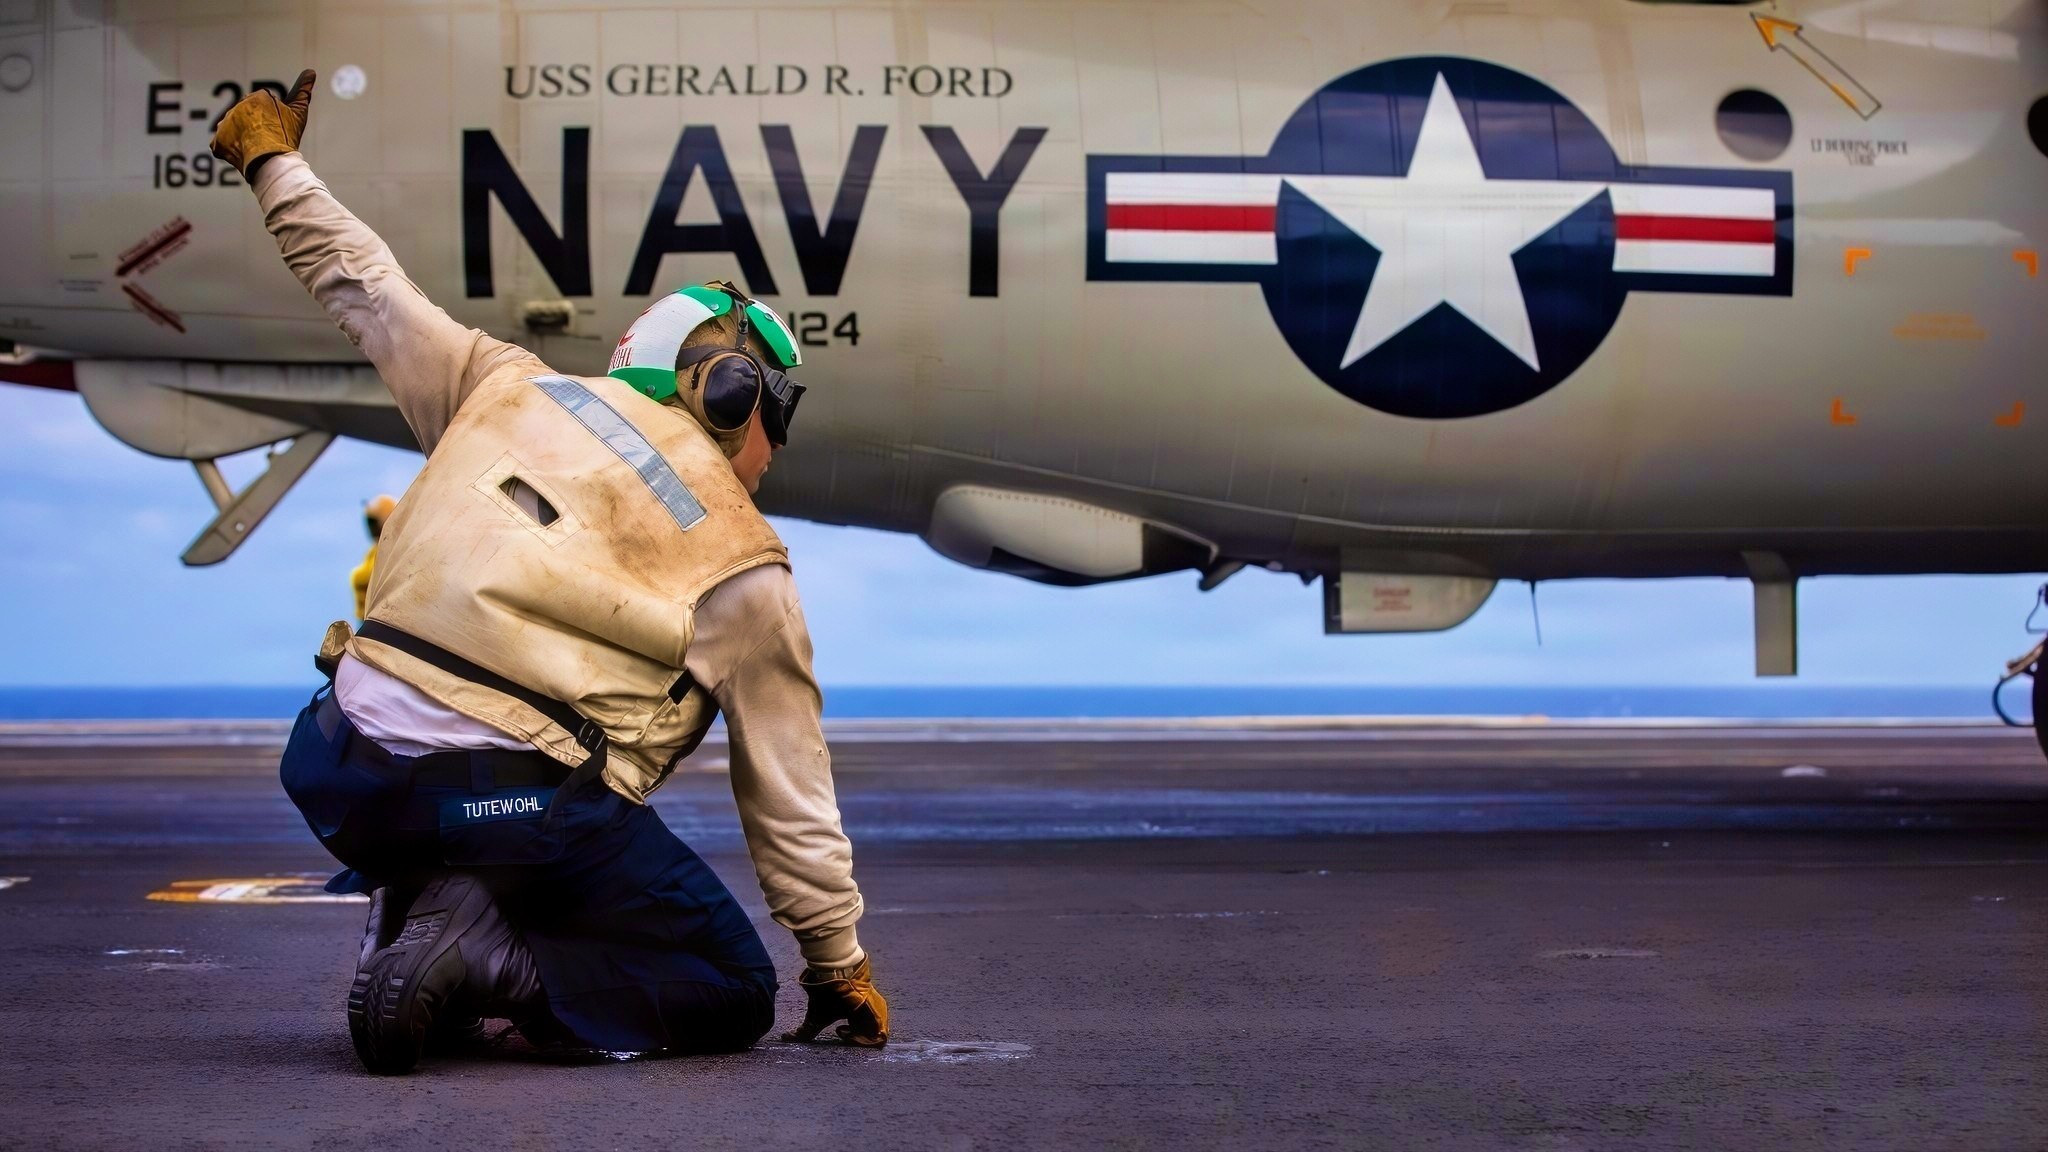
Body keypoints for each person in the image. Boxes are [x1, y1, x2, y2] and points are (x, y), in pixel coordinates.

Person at [210, 72, 887, 1073]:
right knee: (728, 988)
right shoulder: (746, 565)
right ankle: (488, 964)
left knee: (525, 809)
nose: (772, 458)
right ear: (732, 390)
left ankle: (424, 913)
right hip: (508, 810)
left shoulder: (499, 385)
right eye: (772, 425)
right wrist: (836, 967)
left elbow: (358, 281)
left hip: (333, 767)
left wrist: (271, 159)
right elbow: (789, 801)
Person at [350, 495, 397, 622]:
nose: (369, 525)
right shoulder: (372, 553)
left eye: (372, 520)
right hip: (366, 622)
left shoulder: (391, 551)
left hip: (383, 622)